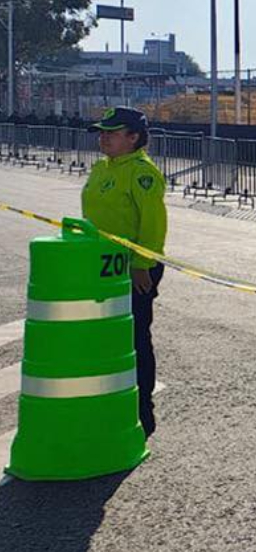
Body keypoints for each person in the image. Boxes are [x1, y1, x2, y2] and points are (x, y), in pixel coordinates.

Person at [81, 106, 168, 438]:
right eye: (102, 132)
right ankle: (109, 401)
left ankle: (142, 412)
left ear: (134, 138)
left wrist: (142, 264)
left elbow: (153, 223)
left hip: (134, 269)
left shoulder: (141, 172)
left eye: (112, 133)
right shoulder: (104, 168)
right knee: (105, 339)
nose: (103, 138)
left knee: (134, 339)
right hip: (101, 267)